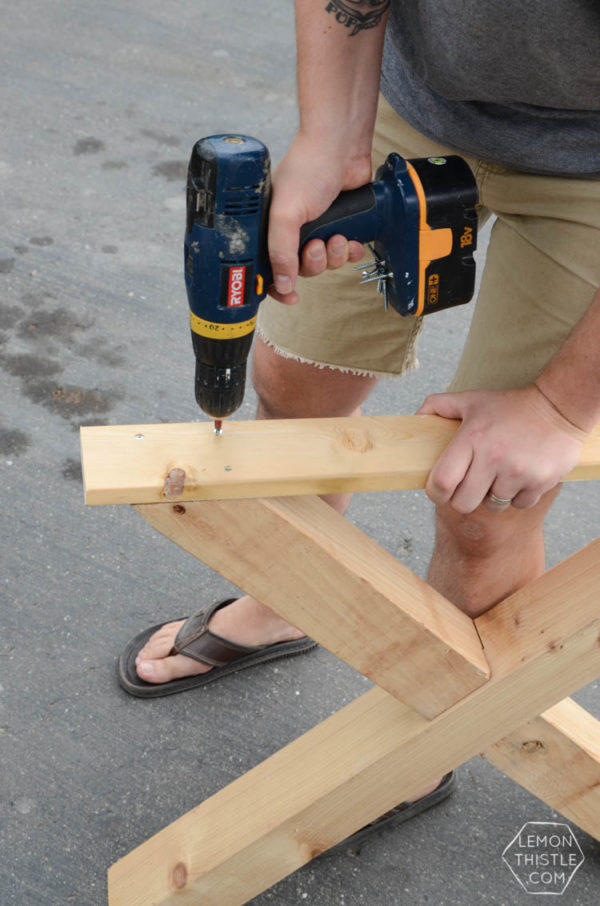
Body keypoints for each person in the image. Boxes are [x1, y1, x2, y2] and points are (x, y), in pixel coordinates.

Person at [118, 0, 600, 836]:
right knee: (292, 379)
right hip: (415, 109)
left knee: (485, 498)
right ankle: (289, 600)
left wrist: (559, 407)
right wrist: (330, 135)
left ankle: (421, 733)